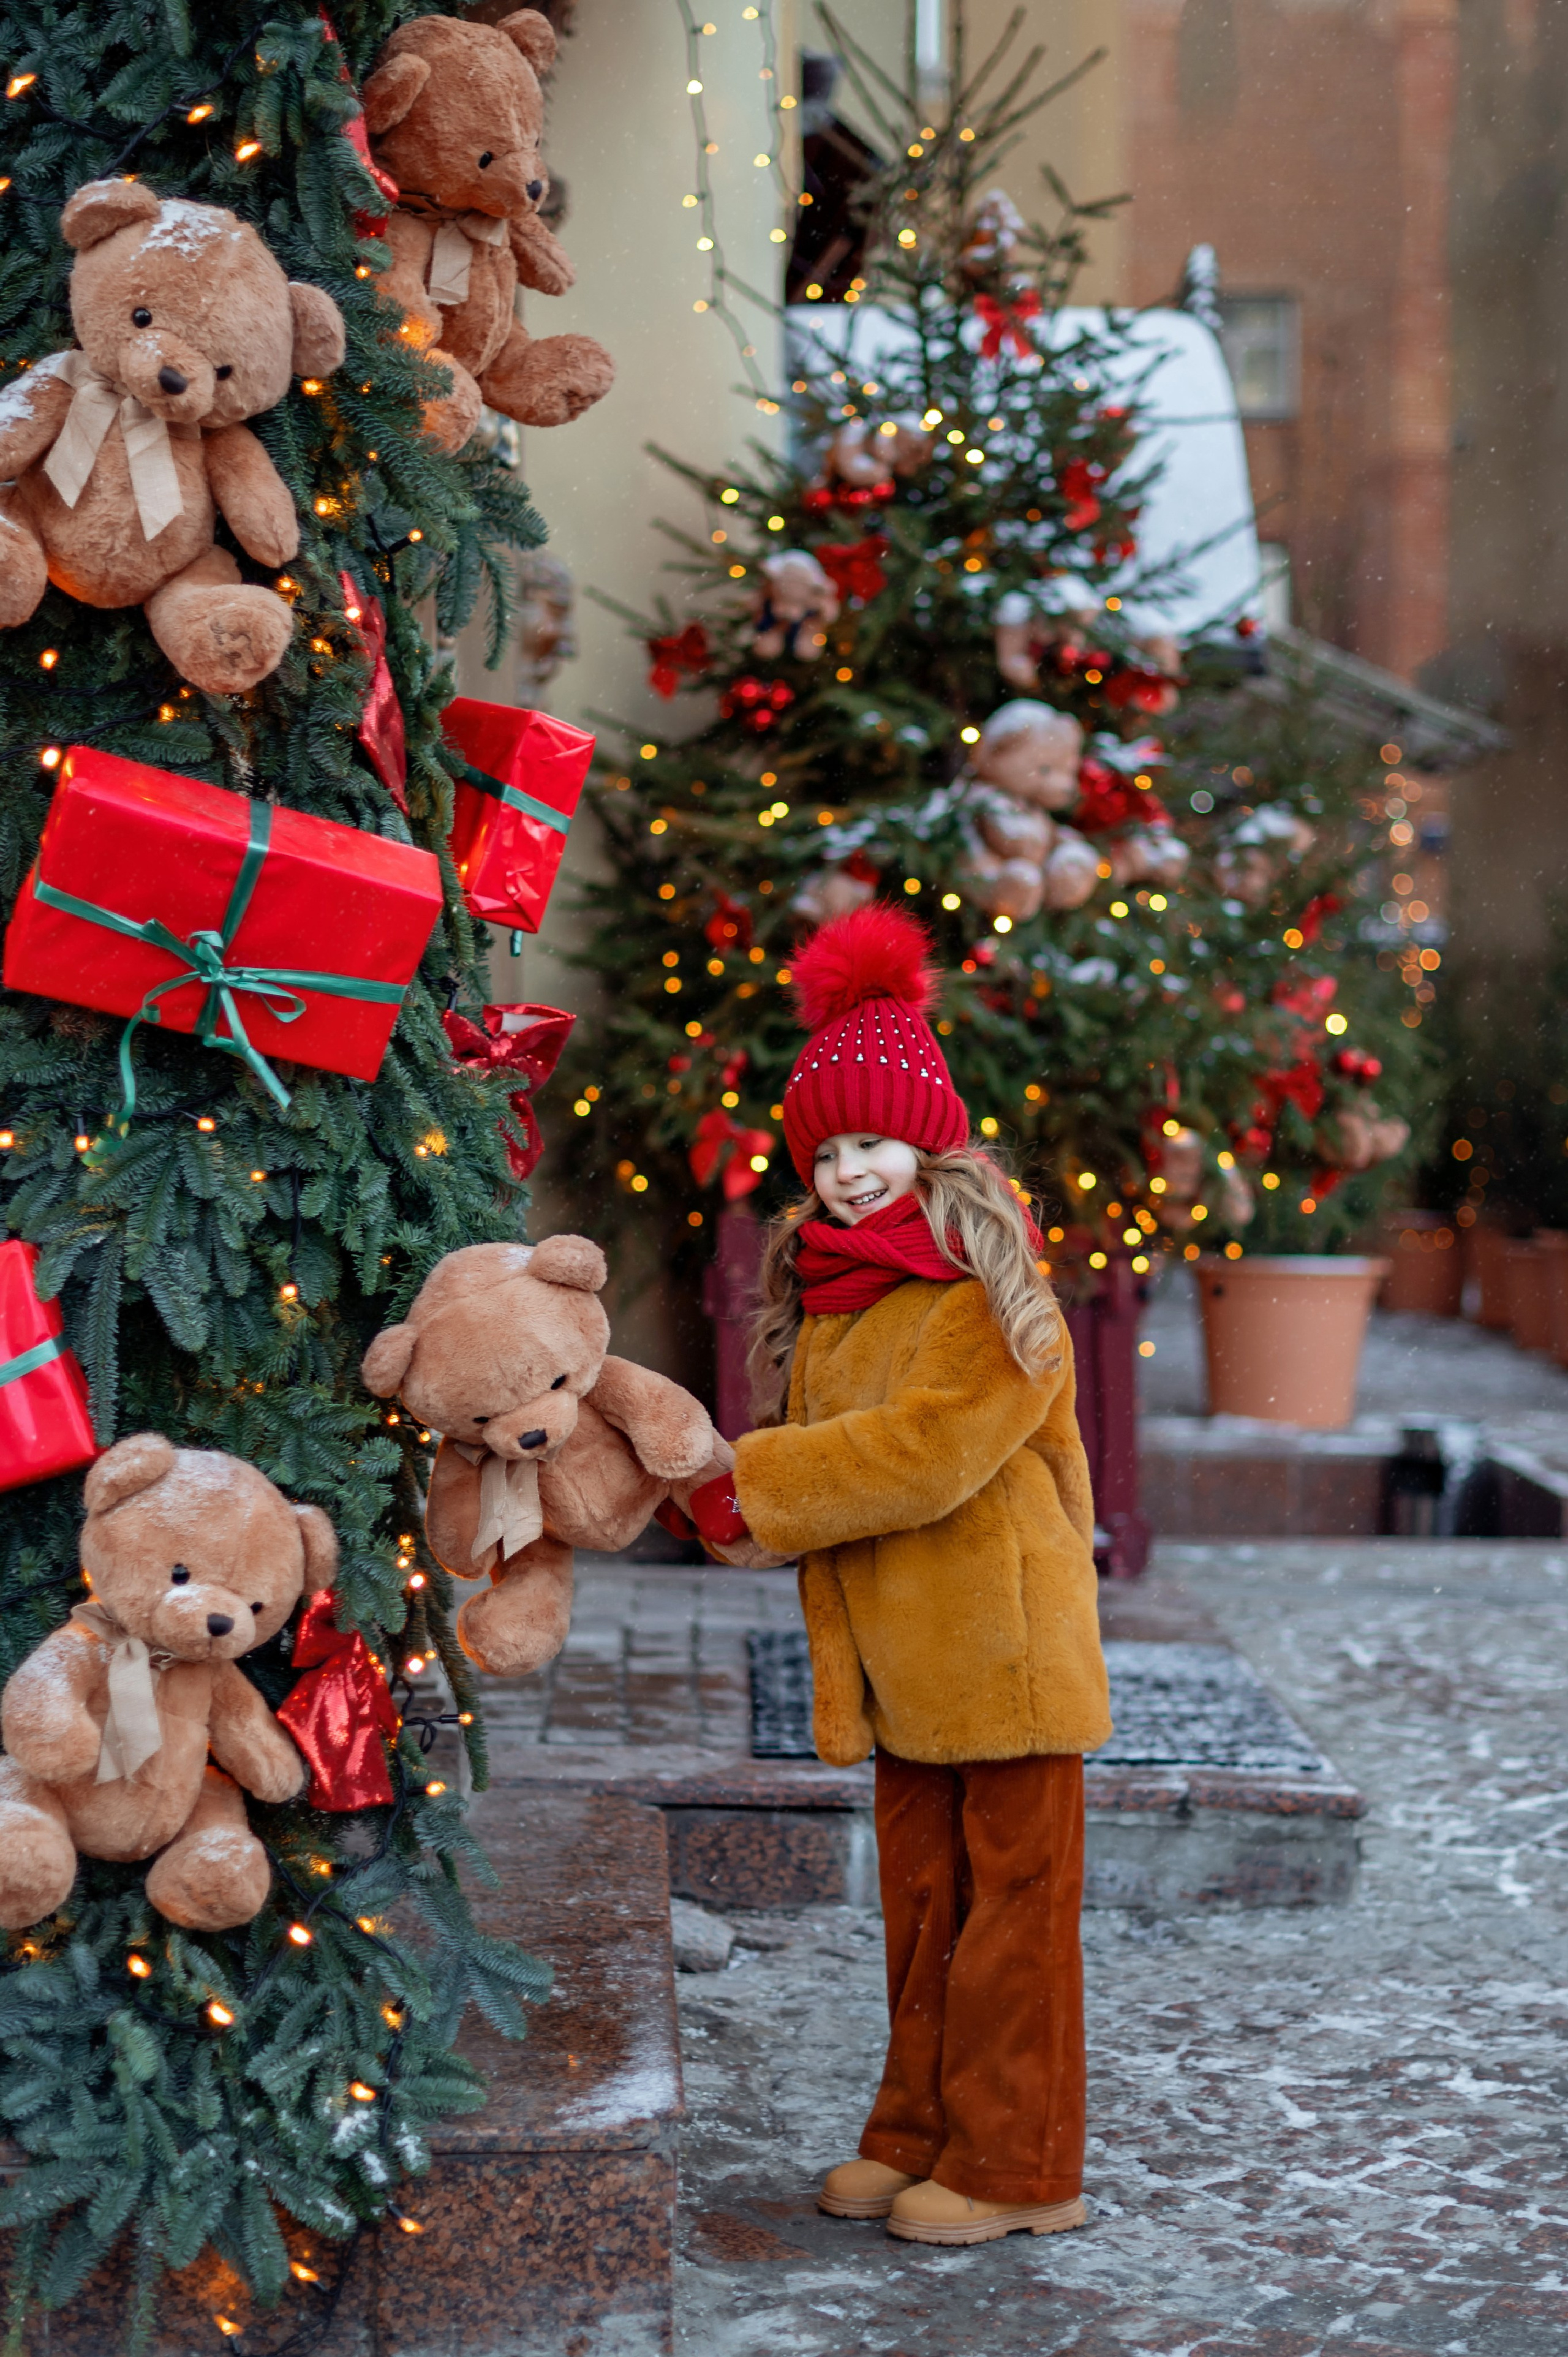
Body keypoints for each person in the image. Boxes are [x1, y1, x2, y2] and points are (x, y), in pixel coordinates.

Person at [727, 902, 1112, 2249]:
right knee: (921, 1910)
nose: (843, 1173)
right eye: (824, 1150)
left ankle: (1019, 2165)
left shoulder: (976, 1276)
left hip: (1002, 1654)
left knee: (1011, 1918)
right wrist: (739, 1493)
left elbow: (922, 1455)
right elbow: (814, 1455)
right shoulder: (834, 1289)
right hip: (903, 1663)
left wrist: (750, 1488)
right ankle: (916, 2131)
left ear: (927, 1141)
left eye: (869, 1143)